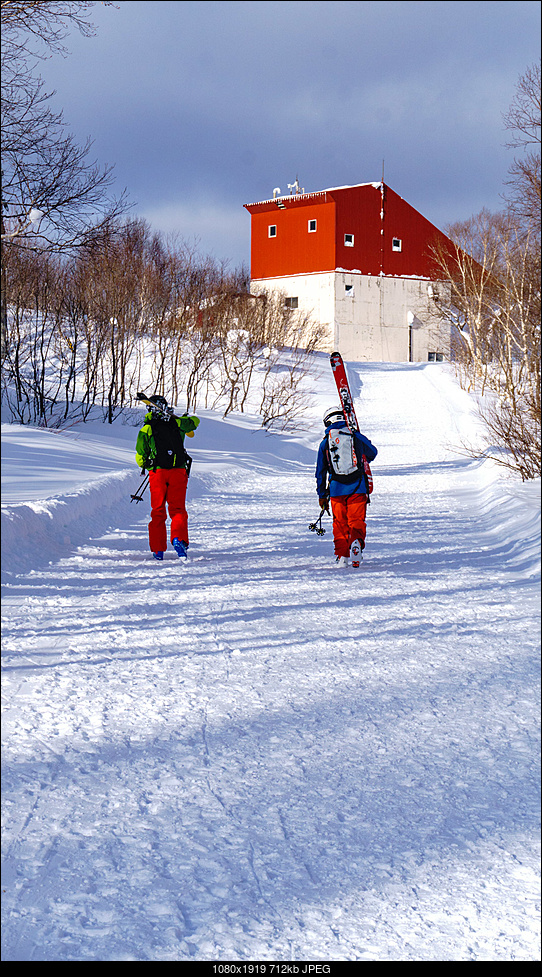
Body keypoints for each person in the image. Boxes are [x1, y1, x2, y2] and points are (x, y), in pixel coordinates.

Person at [135, 395, 200, 560]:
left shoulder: (147, 428)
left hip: (158, 473)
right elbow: (195, 422)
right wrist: (180, 419)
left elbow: (141, 455)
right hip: (178, 471)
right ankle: (178, 539)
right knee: (177, 509)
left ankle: (158, 550)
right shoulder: (178, 425)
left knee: (157, 510)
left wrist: (148, 465)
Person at [316, 407, 378, 567]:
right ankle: (356, 543)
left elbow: (320, 472)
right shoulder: (355, 435)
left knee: (340, 522)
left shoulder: (325, 442)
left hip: (336, 490)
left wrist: (322, 495)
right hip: (358, 488)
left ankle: (342, 555)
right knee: (356, 520)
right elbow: (373, 452)